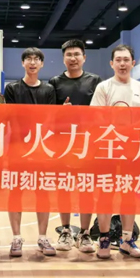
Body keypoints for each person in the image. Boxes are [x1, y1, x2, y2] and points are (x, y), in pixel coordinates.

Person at [90, 44, 140, 259]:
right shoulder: (103, 87)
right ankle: (104, 238)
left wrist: (131, 129)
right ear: (112, 63)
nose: (122, 64)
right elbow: (96, 117)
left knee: (129, 193)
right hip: (107, 149)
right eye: (118, 60)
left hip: (133, 150)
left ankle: (127, 240)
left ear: (133, 63)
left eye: (126, 60)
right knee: (105, 193)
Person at [48, 39, 102, 253]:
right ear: (63, 58)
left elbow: (101, 113)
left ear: (84, 57)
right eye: (69, 55)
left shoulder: (95, 81)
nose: (73, 58)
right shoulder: (54, 82)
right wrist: (62, 112)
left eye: (77, 54)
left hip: (88, 143)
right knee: (64, 187)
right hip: (63, 144)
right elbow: (49, 116)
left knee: (86, 188)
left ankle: (85, 233)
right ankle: (65, 231)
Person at [4, 47, 57, 257]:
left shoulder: (49, 89)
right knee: (15, 192)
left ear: (42, 64)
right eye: (28, 59)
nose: (32, 62)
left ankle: (43, 237)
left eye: (36, 59)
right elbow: (12, 117)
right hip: (17, 149)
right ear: (23, 63)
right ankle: (16, 237)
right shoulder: (12, 88)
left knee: (42, 193)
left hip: (42, 148)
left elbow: (50, 118)